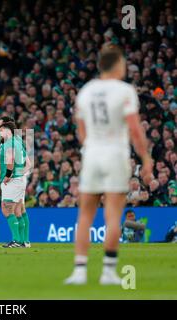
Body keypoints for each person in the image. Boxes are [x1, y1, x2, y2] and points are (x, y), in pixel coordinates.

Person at [64, 45, 153, 285]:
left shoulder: (86, 91)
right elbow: (135, 129)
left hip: (92, 154)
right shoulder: (124, 91)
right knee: (112, 215)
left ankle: (79, 272)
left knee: (84, 215)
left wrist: (92, 148)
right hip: (115, 155)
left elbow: (81, 132)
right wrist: (146, 159)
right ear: (117, 65)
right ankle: (108, 272)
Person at [0, 116, 31, 247]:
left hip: (12, 181)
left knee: (7, 209)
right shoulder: (17, 141)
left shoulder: (8, 143)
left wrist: (8, 175)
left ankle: (17, 240)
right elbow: (28, 163)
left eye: (0, 129)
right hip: (19, 179)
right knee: (19, 210)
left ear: (6, 129)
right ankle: (24, 241)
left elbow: (10, 162)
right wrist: (21, 174)